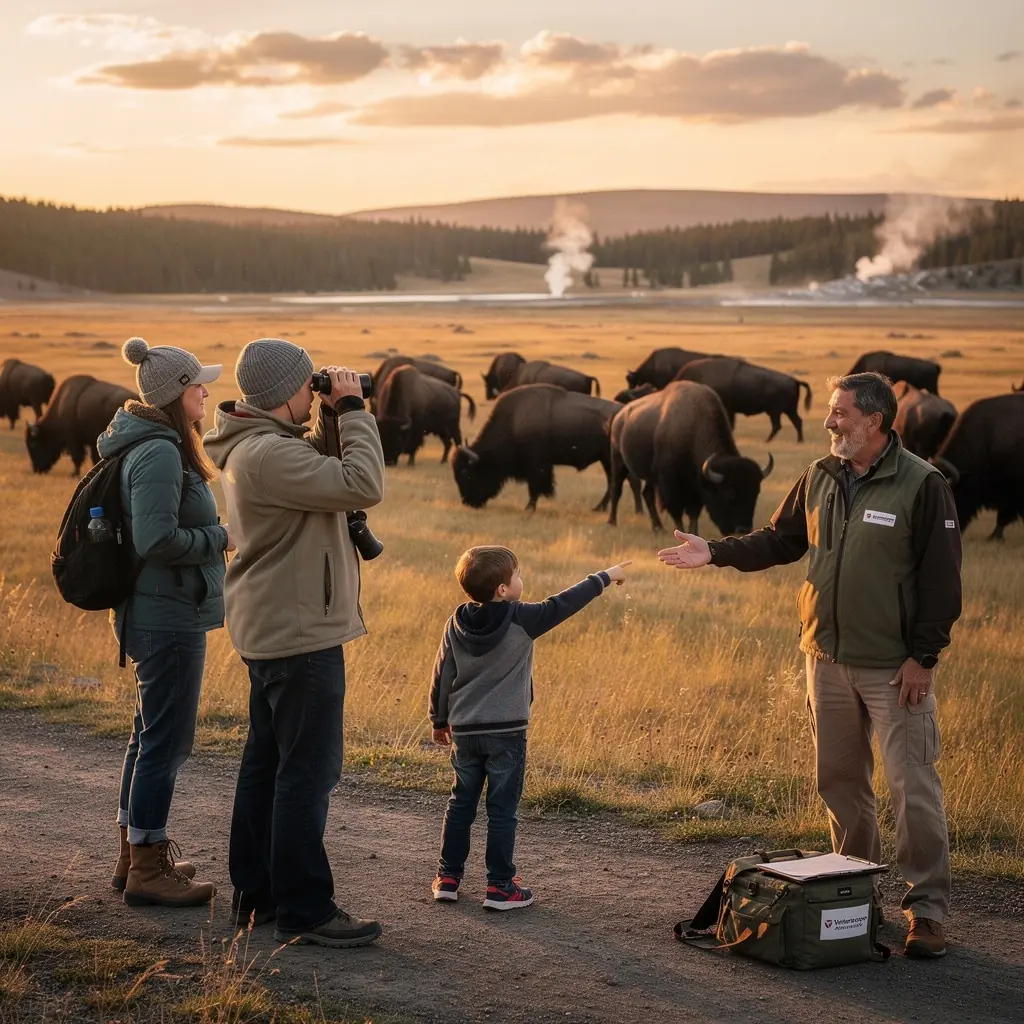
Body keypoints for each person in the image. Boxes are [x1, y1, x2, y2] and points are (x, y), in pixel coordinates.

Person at [657, 371, 962, 959]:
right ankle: (851, 895)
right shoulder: (820, 476)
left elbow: (943, 581)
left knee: (912, 789)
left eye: (840, 413)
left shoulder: (922, 486)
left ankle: (927, 912)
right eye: (830, 411)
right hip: (824, 659)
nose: (829, 422)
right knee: (841, 785)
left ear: (873, 422)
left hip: (894, 669)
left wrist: (924, 656)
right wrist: (715, 552)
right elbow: (780, 540)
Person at [204, 338, 385, 949]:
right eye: (309, 385)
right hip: (298, 634)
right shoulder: (265, 456)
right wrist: (356, 411)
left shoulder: (262, 446)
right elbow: (360, 483)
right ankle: (305, 907)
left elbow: (325, 474)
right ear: (286, 392)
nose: (316, 390)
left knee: (267, 766)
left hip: (277, 626)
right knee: (306, 772)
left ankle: (258, 895)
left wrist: (332, 415)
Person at [99, 337, 231, 907]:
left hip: (160, 611)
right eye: (198, 382)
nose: (206, 389)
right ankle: (149, 869)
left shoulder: (157, 443)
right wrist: (220, 538)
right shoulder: (157, 452)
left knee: (147, 736)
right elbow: (156, 539)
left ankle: (135, 854)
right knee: (165, 743)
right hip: (167, 616)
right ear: (177, 393)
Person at [428, 546, 630, 910]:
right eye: (517, 575)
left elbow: (443, 673)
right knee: (502, 810)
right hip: (507, 733)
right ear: (503, 590)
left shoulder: (454, 622)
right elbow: (564, 602)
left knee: (460, 804)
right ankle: (500, 886)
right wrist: (605, 576)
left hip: (465, 732)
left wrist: (439, 720)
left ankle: (448, 877)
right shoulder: (523, 618)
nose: (522, 579)